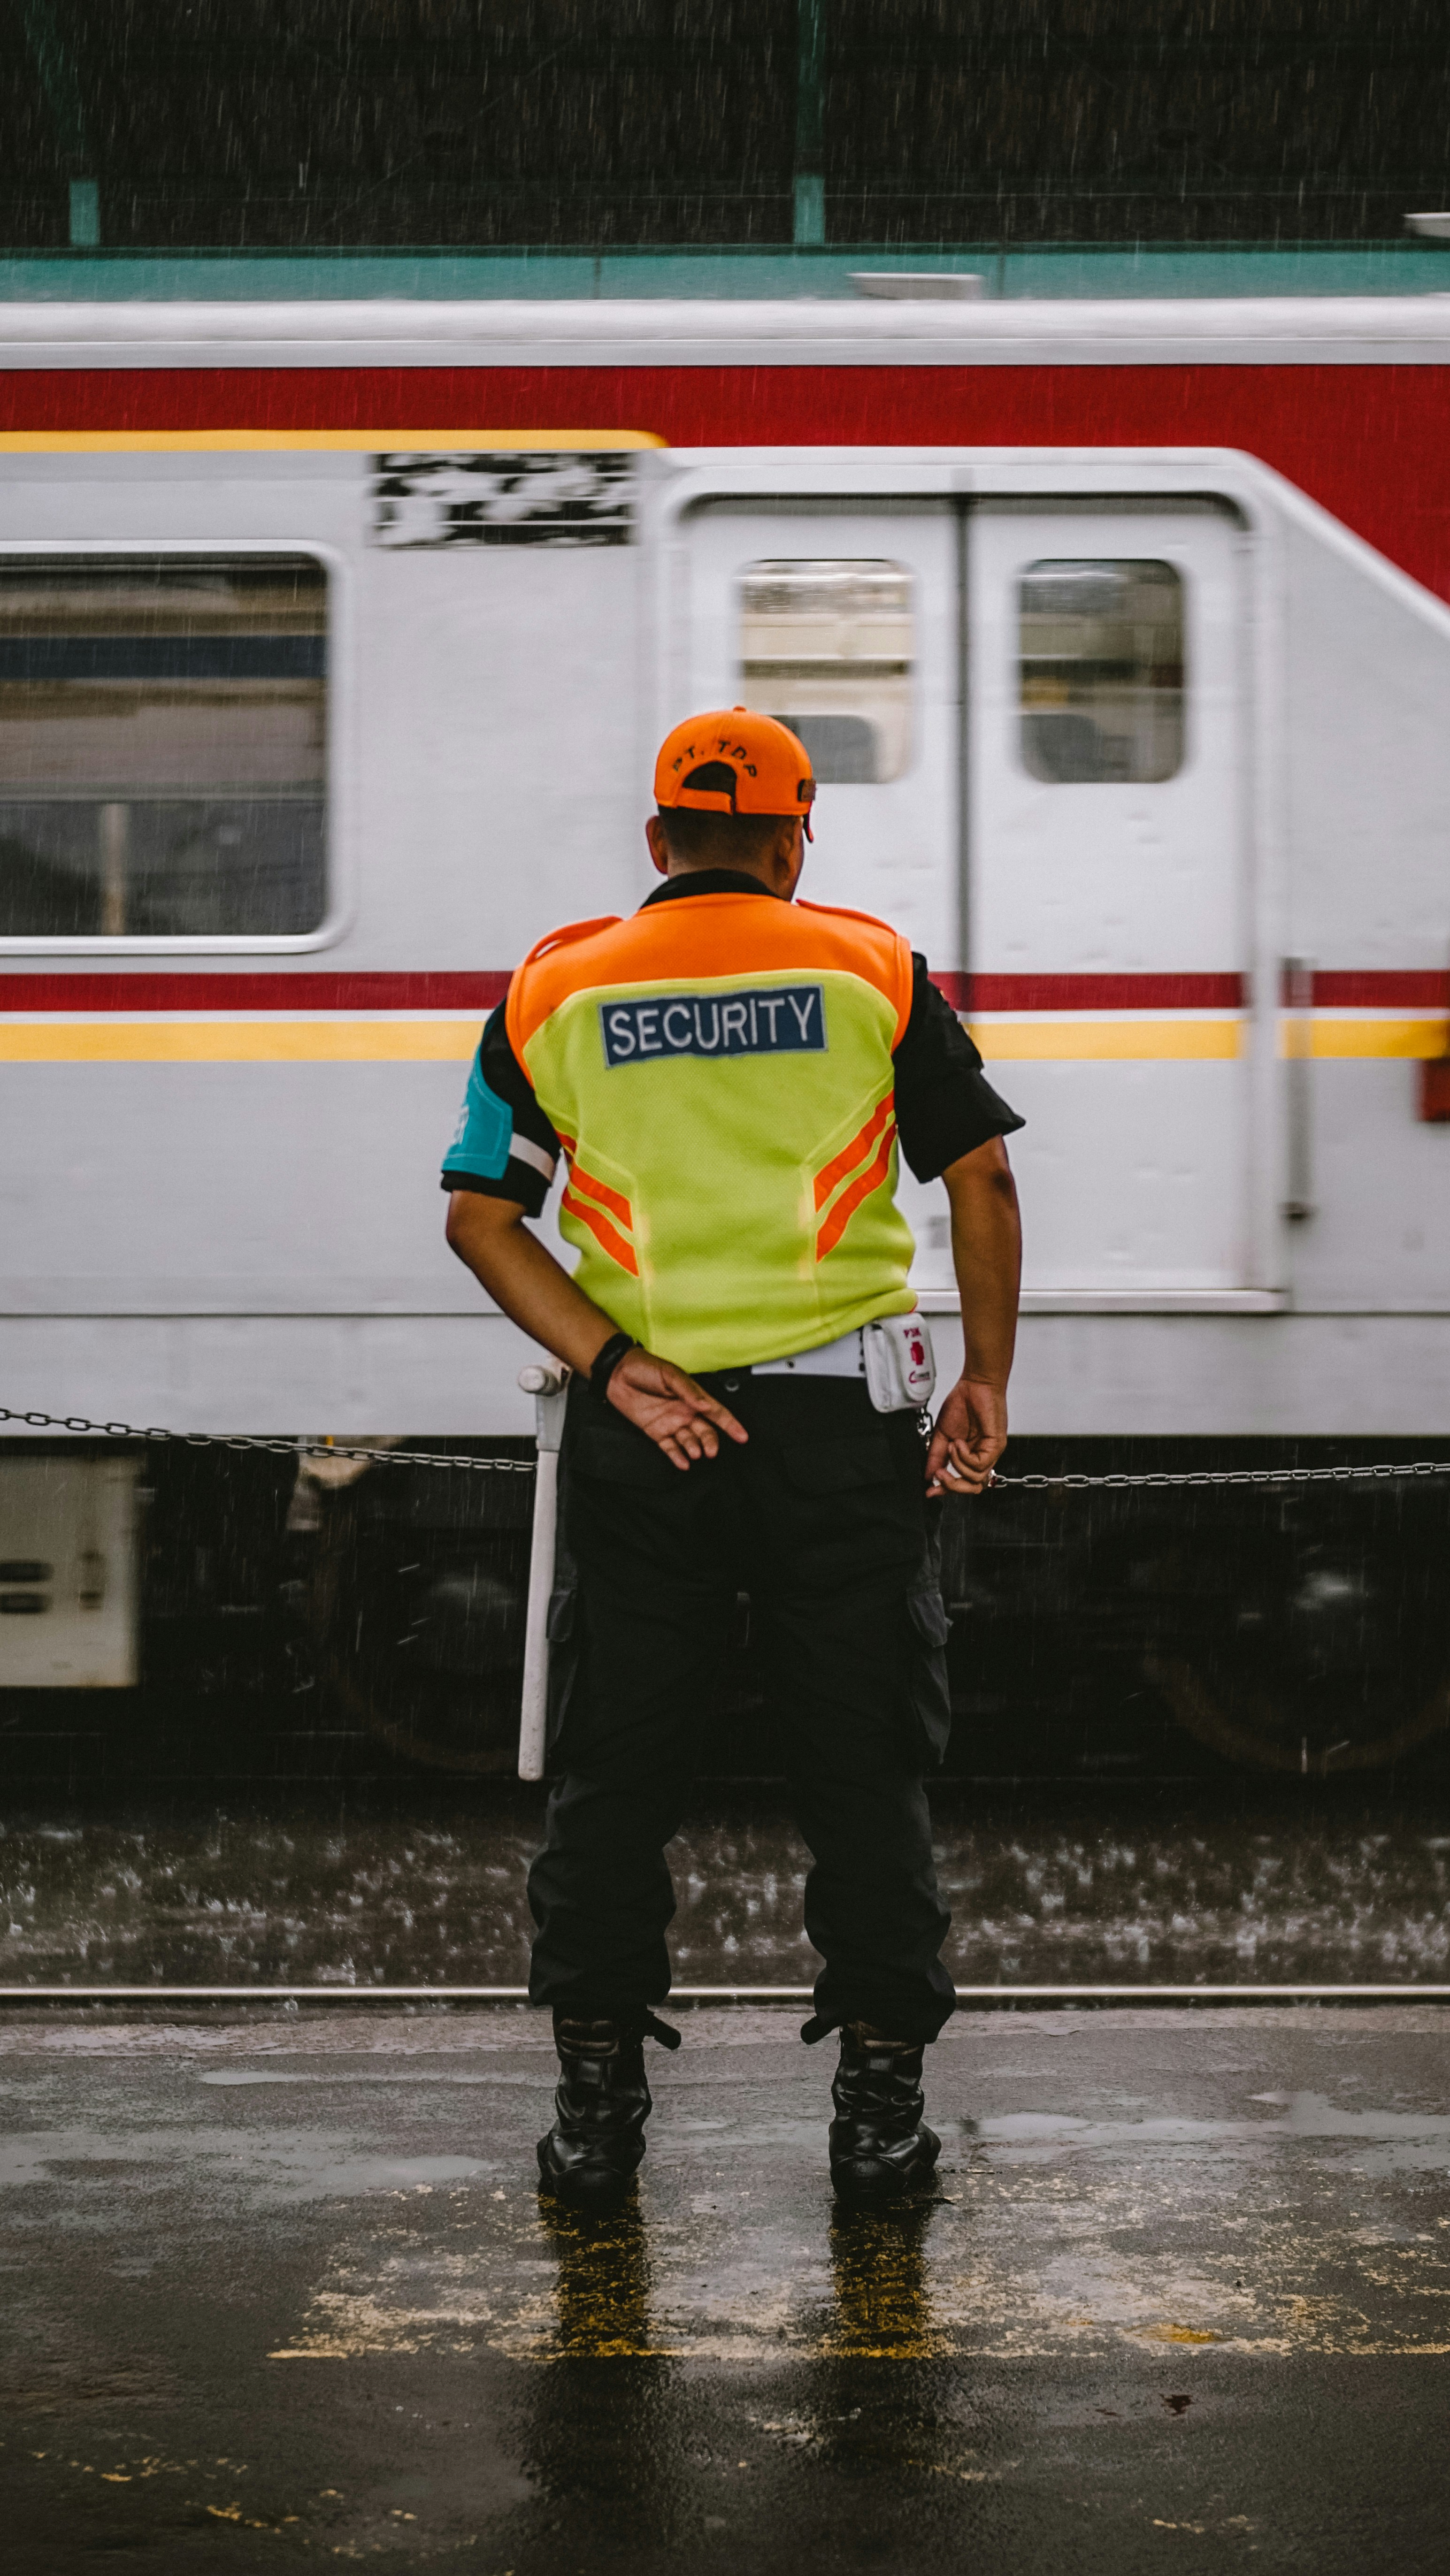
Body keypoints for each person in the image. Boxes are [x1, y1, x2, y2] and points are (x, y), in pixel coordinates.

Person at [443, 708, 1023, 2209]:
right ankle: (878, 2122)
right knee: (864, 1770)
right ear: (790, 843)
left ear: (658, 840)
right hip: (842, 1437)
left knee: (614, 1774)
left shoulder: (554, 984)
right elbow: (979, 1174)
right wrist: (983, 1377)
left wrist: (613, 1363)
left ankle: (595, 2122)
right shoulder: (869, 968)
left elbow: (482, 1217)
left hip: (652, 1437)